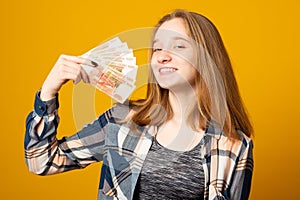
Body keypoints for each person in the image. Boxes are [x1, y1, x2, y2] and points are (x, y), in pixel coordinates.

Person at [24, 9, 254, 200]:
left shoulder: (235, 145)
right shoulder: (122, 122)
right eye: (157, 48)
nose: (162, 56)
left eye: (178, 46)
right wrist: (48, 93)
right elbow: (42, 162)